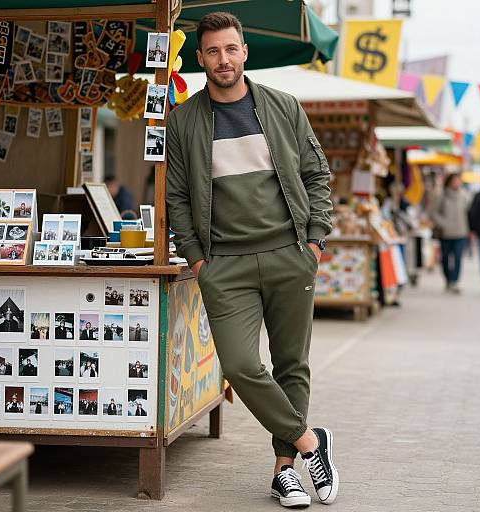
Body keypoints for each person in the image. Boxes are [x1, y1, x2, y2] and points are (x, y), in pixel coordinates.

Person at [165, 12, 337, 508]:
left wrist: (316, 241)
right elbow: (177, 196)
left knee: (291, 365)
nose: (223, 59)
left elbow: (316, 174)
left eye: (231, 49)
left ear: (245, 51)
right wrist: (198, 261)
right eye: (213, 51)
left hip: (290, 254)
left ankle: (286, 471)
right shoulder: (185, 120)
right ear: (200, 59)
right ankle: (311, 443)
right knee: (240, 365)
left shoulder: (284, 107)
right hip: (225, 266)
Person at [430, 173, 470, 294]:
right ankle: (448, 279)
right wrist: (443, 223)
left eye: (459, 181)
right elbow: (432, 212)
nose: (457, 183)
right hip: (445, 233)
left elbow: (469, 212)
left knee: (458, 257)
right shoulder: (441, 196)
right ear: (449, 182)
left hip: (461, 232)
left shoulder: (464, 196)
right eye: (455, 181)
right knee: (445, 258)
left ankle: (454, 281)